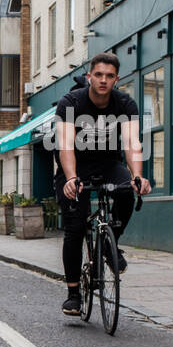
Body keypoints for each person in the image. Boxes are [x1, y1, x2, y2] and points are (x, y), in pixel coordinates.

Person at [55, 51, 151, 316]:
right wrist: (72, 178)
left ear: (116, 79)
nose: (103, 80)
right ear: (89, 77)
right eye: (98, 75)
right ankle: (74, 293)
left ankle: (107, 248)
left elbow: (132, 143)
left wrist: (137, 176)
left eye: (109, 76)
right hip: (74, 165)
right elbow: (65, 145)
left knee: (126, 192)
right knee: (75, 226)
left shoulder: (125, 104)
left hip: (109, 163)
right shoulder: (70, 102)